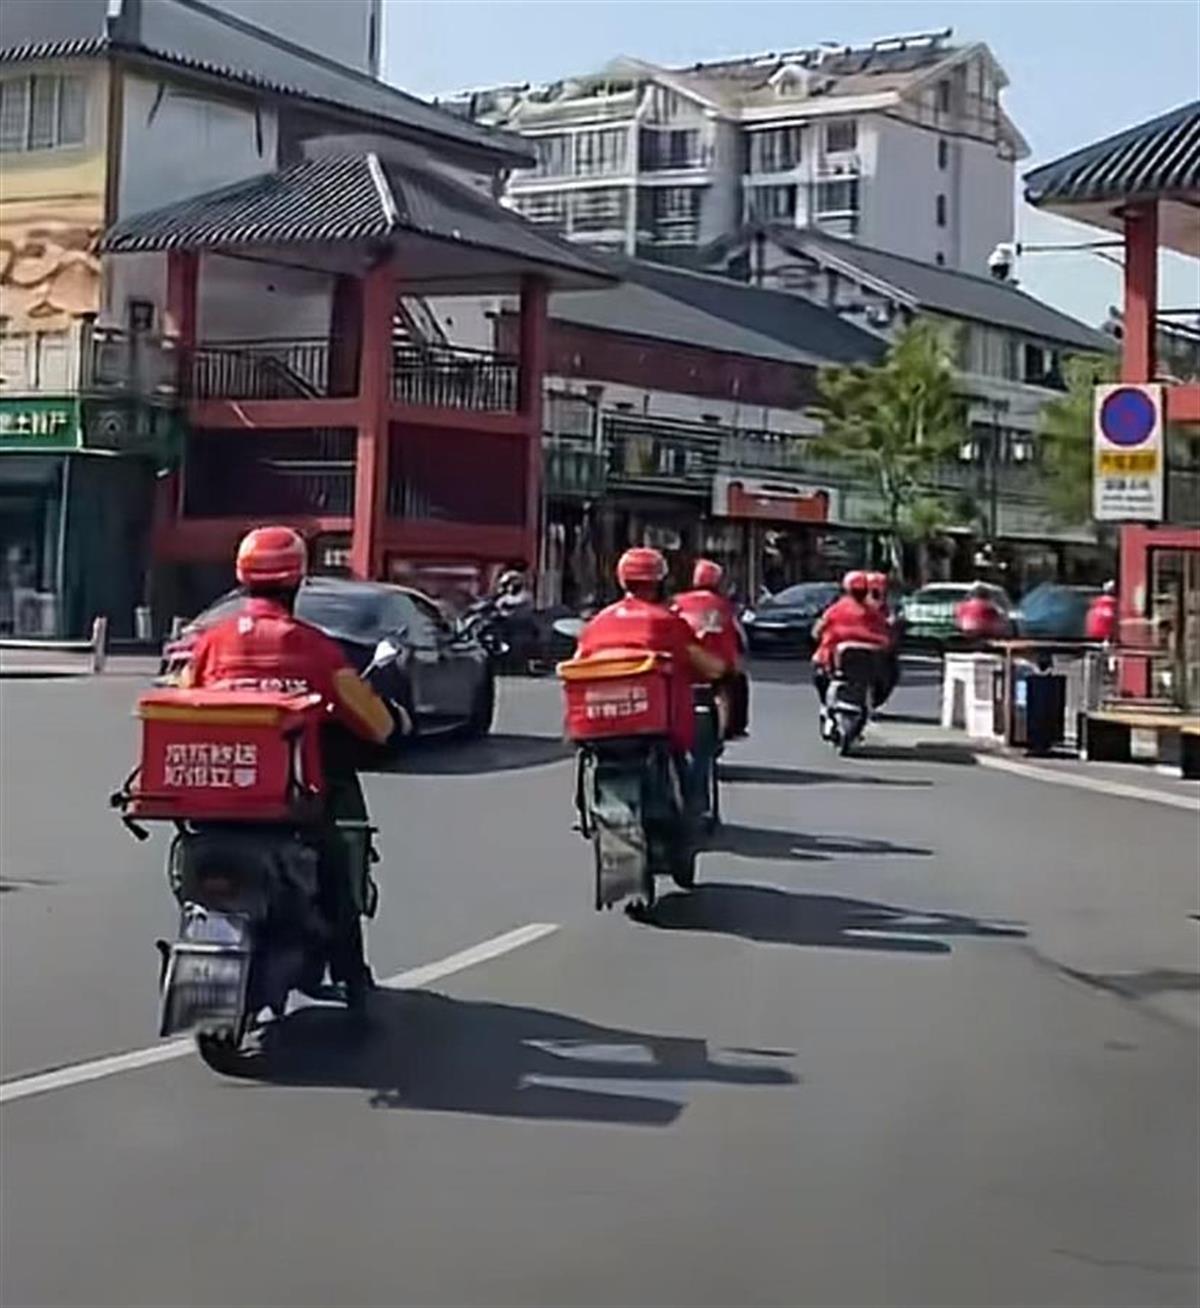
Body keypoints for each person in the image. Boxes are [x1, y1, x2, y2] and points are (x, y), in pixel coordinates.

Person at [181, 526, 398, 1002]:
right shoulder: (311, 645)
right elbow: (374, 722)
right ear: (297, 581)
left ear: (242, 579)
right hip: (290, 801)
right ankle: (349, 972)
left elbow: (184, 703)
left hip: (214, 798)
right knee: (339, 861)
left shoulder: (211, 643)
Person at [577, 547, 725, 759]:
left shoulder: (597, 622)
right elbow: (708, 666)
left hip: (599, 724)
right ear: (660, 583)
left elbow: (579, 664)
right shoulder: (667, 621)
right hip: (659, 728)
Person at [672, 558, 748, 737]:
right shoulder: (725, 606)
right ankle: (735, 727)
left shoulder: (677, 602)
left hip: (686, 662)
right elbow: (739, 636)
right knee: (738, 681)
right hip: (717, 665)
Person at [811, 570, 890, 710]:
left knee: (819, 668)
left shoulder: (834, 610)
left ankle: (826, 705)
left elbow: (817, 632)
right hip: (869, 667)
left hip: (837, 664)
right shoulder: (875, 613)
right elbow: (886, 637)